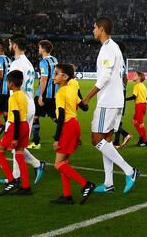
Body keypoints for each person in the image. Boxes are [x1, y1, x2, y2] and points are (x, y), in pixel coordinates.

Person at [79, 17, 141, 194]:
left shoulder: (108, 49)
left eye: (94, 27)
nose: (93, 30)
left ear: (101, 29)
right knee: (106, 140)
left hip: (108, 101)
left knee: (95, 139)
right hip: (115, 100)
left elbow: (105, 77)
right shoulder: (114, 48)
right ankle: (108, 184)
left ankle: (130, 171)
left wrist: (87, 98)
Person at [51, 63, 96, 205]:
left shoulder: (61, 92)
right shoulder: (71, 90)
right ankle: (67, 195)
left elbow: (62, 116)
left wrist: (56, 138)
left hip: (67, 126)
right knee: (64, 162)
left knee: (58, 164)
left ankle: (86, 184)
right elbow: (85, 107)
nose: (54, 76)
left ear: (64, 77)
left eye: (56, 73)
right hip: (75, 125)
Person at [5, 35, 46, 184]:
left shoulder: (16, 64)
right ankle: (20, 175)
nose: (9, 46)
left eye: (10, 44)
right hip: (29, 105)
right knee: (18, 145)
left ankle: (20, 175)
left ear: (14, 45)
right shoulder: (28, 63)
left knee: (12, 142)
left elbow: (15, 87)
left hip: (20, 106)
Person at [0, 70, 33, 196]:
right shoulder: (23, 95)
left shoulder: (13, 97)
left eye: (7, 82)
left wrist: (15, 137)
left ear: (11, 83)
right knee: (19, 155)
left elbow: (16, 115)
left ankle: (11, 181)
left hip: (15, 127)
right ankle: (26, 186)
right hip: (25, 126)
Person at [31, 40, 58, 149]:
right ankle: (74, 136)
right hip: (53, 94)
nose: (38, 49)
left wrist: (41, 95)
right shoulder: (55, 60)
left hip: (44, 93)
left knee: (35, 116)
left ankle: (36, 142)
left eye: (39, 47)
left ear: (43, 49)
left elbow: (44, 79)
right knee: (55, 117)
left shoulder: (43, 62)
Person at [125, 71, 147, 146]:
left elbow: (134, 97)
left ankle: (145, 141)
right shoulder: (143, 86)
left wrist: (124, 99)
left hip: (139, 106)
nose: (133, 76)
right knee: (134, 120)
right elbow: (146, 97)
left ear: (139, 78)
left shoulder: (137, 86)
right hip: (144, 105)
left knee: (141, 124)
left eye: (135, 75)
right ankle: (142, 137)